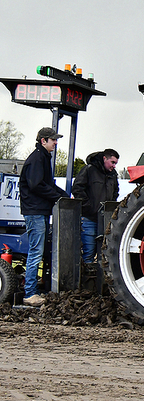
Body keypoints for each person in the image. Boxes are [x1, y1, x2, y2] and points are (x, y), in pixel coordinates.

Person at [19, 127, 70, 307]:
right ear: (43, 141)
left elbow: (47, 184)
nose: (56, 143)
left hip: (38, 211)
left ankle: (34, 290)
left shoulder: (42, 158)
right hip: (34, 211)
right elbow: (36, 186)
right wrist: (58, 196)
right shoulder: (37, 159)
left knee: (38, 252)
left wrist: (64, 195)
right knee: (35, 252)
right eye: (53, 140)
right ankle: (30, 294)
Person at [71, 149, 119, 263]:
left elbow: (115, 193)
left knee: (104, 253)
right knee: (89, 251)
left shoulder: (113, 175)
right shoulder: (89, 170)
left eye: (115, 163)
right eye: (112, 162)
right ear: (104, 158)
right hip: (89, 218)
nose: (114, 166)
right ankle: (87, 278)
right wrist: (88, 207)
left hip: (105, 219)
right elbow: (77, 188)